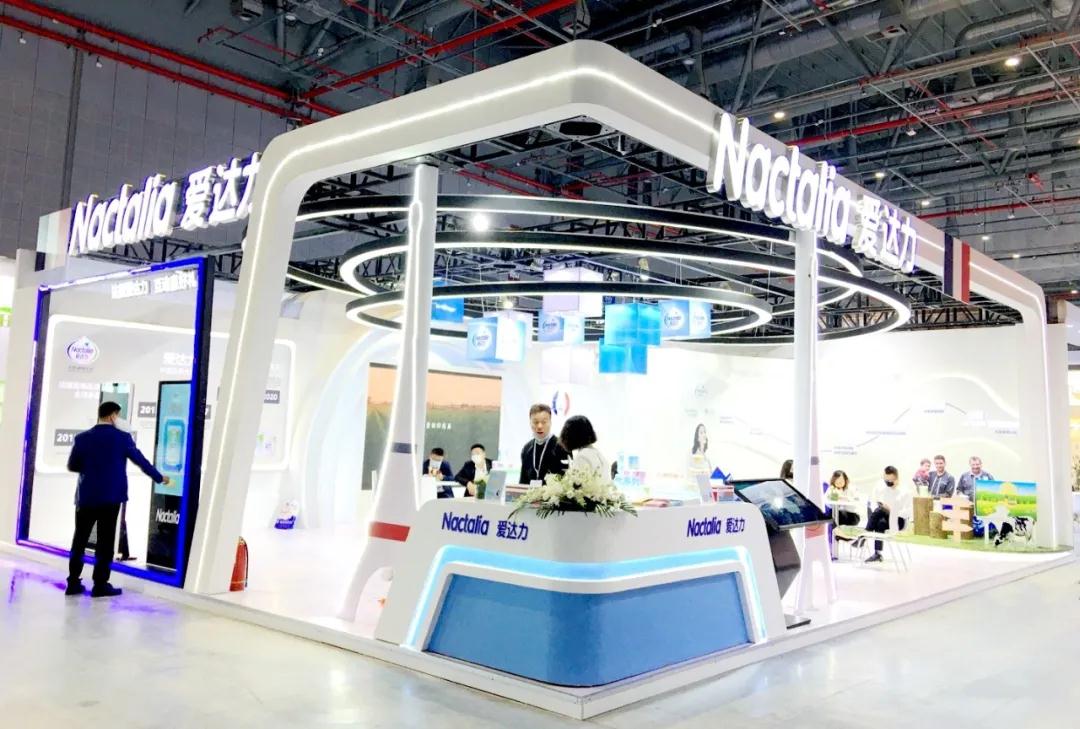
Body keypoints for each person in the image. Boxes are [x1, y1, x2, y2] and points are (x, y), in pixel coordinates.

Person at [66, 401, 170, 597]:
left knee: (79, 539)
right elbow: (140, 461)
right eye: (118, 415)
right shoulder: (122, 438)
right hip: (111, 497)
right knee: (105, 542)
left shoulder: (82, 438)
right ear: (112, 416)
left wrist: (91, 470)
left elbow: (72, 465)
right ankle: (100, 584)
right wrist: (159, 477)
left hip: (86, 496)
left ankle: (72, 582)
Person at [864, 466, 911, 563]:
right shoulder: (884, 489)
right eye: (886, 480)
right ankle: (877, 553)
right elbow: (875, 501)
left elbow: (908, 512)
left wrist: (892, 510)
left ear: (896, 478)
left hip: (899, 520)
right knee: (880, 520)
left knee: (879, 511)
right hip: (884, 517)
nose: (888, 482)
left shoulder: (905, 491)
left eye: (890, 480)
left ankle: (864, 536)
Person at [518, 403, 569, 485]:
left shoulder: (562, 446)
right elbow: (523, 481)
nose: (539, 426)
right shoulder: (527, 449)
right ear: (530, 423)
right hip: (530, 493)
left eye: (544, 422)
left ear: (550, 422)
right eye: (535, 422)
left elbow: (567, 479)